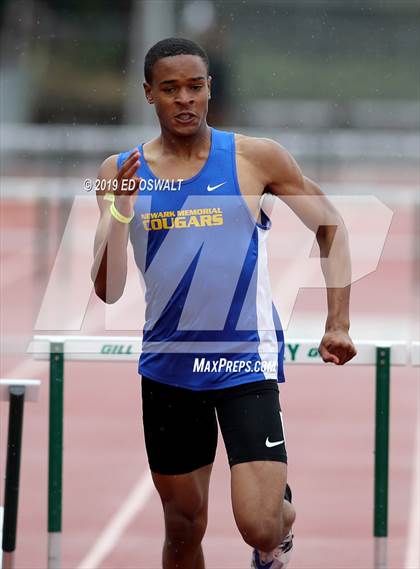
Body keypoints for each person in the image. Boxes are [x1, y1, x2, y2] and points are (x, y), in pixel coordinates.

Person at [91, 37, 357, 569]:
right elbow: (108, 288)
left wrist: (338, 323)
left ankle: (279, 518)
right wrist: (118, 211)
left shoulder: (256, 157)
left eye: (195, 86)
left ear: (210, 88)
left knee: (258, 527)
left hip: (243, 360)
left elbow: (330, 225)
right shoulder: (117, 170)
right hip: (169, 366)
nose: (185, 98)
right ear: (149, 94)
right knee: (183, 526)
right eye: (170, 89)